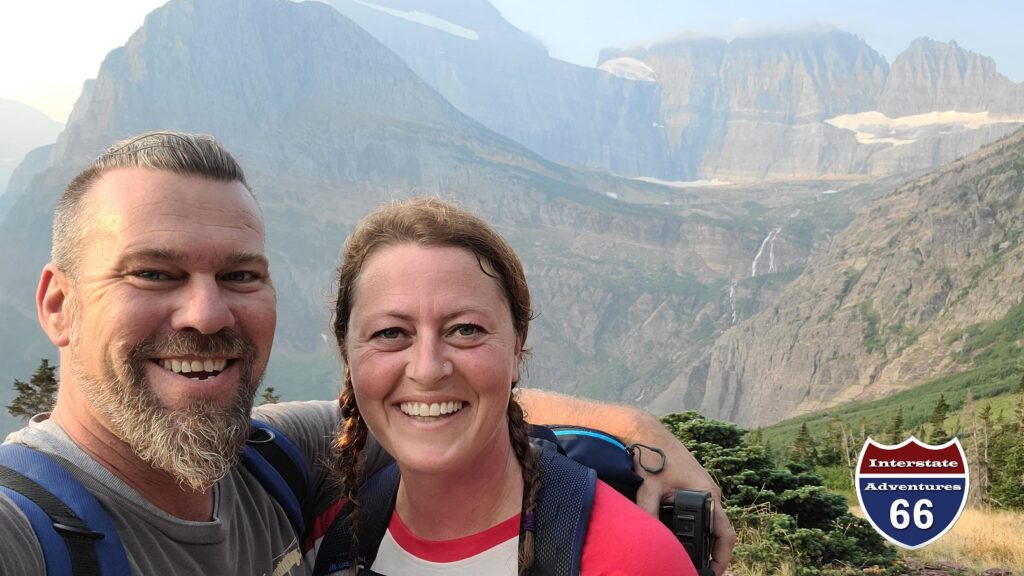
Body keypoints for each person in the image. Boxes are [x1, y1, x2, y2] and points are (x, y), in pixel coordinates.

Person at [0, 131, 734, 575]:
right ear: (58, 305)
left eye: (240, 275)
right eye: (153, 273)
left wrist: (644, 441)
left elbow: (433, 409)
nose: (205, 312)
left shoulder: (278, 462)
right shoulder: (23, 528)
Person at [324, 198, 696, 574]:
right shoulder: (338, 535)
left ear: (517, 347)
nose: (427, 369)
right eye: (390, 333)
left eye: (465, 330)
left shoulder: (633, 559)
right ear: (347, 352)